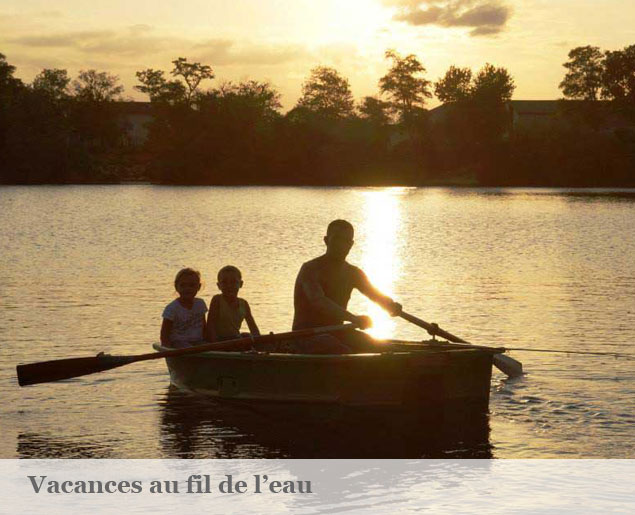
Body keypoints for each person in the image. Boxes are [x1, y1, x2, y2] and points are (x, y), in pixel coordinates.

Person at [291, 219, 402, 353]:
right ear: (326, 240)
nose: (341, 245)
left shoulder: (353, 273)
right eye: (337, 239)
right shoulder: (310, 269)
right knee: (340, 350)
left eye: (346, 241)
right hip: (306, 336)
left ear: (351, 244)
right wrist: (353, 318)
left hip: (338, 333)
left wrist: (390, 305)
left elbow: (375, 294)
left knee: (386, 349)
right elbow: (319, 302)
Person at [206, 265, 260, 342]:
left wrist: (259, 341)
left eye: (233, 282)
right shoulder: (217, 300)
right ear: (219, 285)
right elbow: (210, 326)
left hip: (235, 339)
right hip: (220, 341)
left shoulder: (244, 304)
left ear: (240, 284)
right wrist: (214, 345)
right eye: (224, 282)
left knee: (246, 335)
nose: (229, 286)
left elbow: (253, 328)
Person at [161, 268, 208, 348]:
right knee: (185, 346)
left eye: (192, 285)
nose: (187, 288)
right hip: (179, 343)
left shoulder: (200, 304)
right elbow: (164, 333)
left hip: (198, 341)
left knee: (207, 346)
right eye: (183, 285)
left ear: (198, 287)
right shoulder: (172, 308)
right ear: (176, 286)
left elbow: (204, 327)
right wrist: (167, 348)